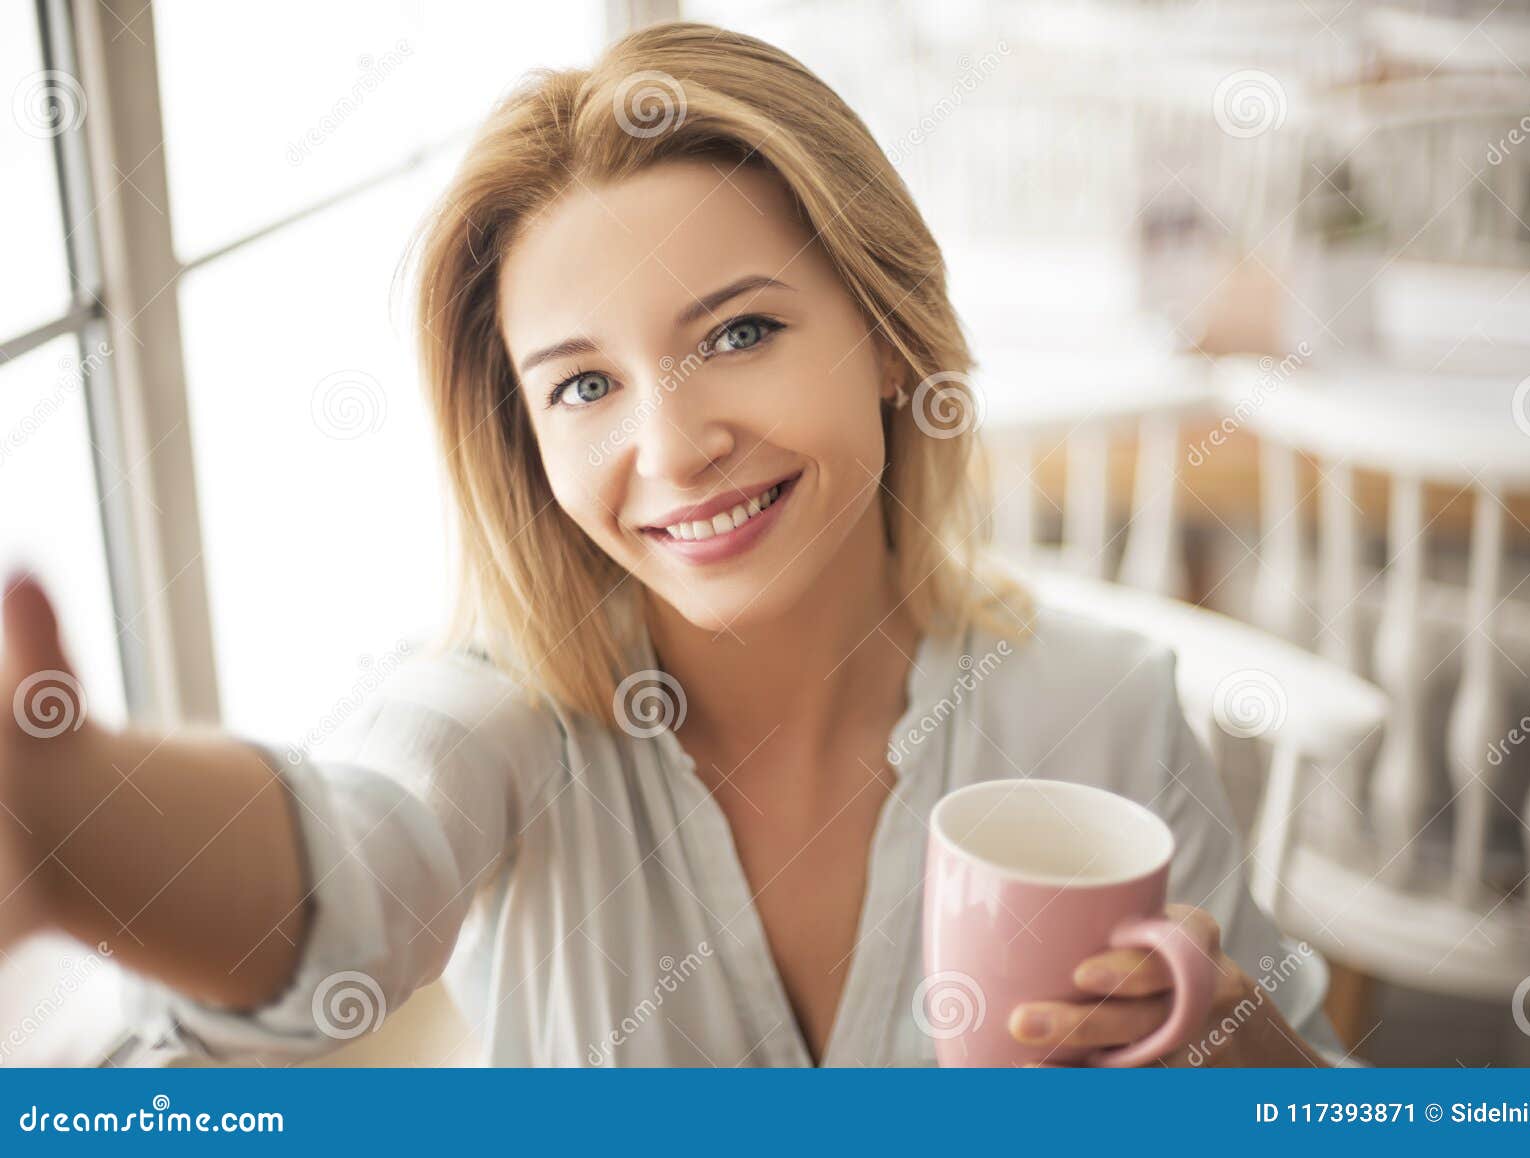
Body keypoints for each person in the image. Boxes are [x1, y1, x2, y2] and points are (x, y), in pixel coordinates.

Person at [0, 20, 1353, 1067]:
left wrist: (1242, 1060)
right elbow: (356, 858)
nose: (674, 442)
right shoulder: (498, 719)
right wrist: (71, 821)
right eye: (584, 385)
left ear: (886, 336)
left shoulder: (1105, 705)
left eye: (740, 332)